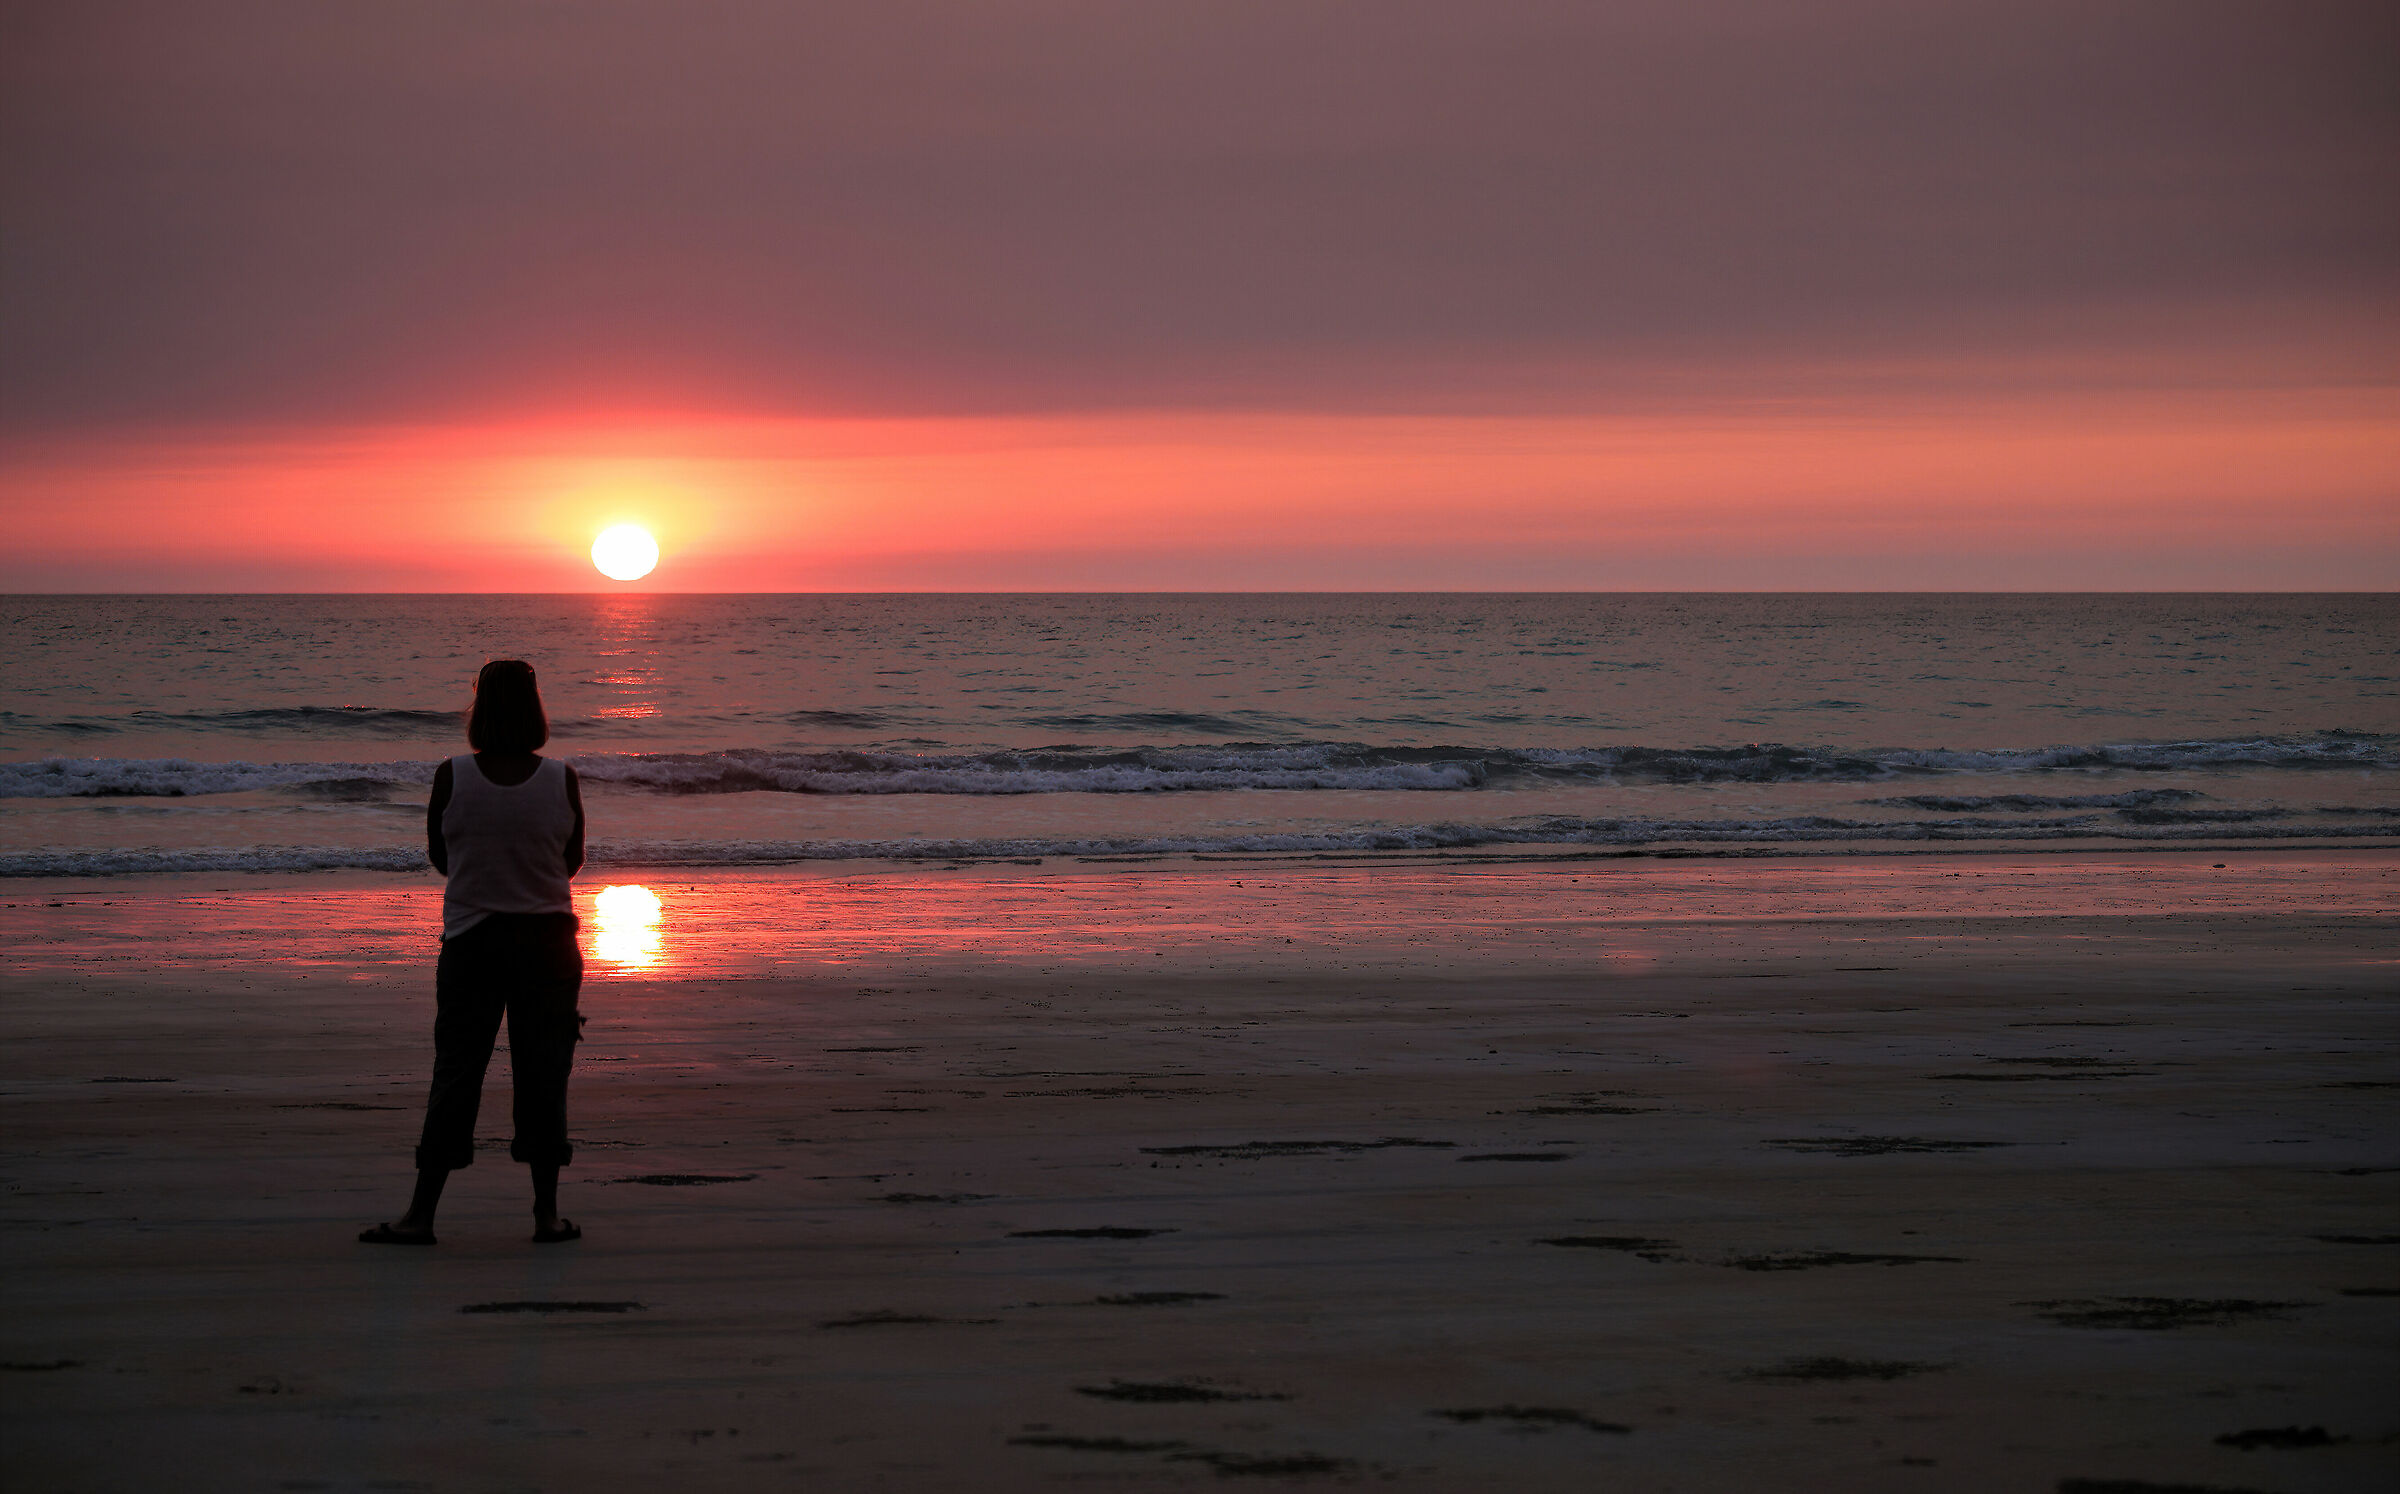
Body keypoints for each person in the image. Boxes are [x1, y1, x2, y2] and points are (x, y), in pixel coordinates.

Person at [361, 659, 587, 1246]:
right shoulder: (561, 777)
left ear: (478, 709)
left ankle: (421, 1216)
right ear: (535, 706)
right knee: (544, 1075)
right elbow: (571, 860)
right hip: (547, 945)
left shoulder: (452, 775)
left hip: (471, 943)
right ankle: (545, 1217)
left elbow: (440, 855)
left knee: (457, 1072)